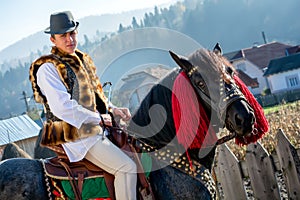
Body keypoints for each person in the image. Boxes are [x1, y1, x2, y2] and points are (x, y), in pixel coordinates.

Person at [29, 11, 137, 200]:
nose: (69, 39)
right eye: (63, 36)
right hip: (73, 133)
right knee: (127, 168)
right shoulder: (48, 68)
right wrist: (99, 119)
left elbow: (94, 97)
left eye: (72, 33)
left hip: (92, 126)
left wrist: (112, 110)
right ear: (53, 40)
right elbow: (63, 108)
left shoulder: (79, 60)